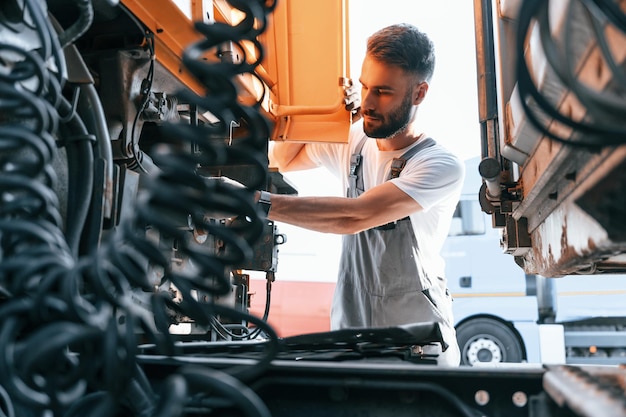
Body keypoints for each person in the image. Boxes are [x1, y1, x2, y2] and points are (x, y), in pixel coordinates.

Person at [263, 23, 464, 366]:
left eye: (383, 92)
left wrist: (254, 203)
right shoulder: (355, 140)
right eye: (365, 86)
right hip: (353, 339)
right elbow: (284, 158)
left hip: (417, 349)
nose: (369, 102)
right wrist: (329, 112)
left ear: (419, 93)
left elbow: (353, 216)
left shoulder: (439, 165)